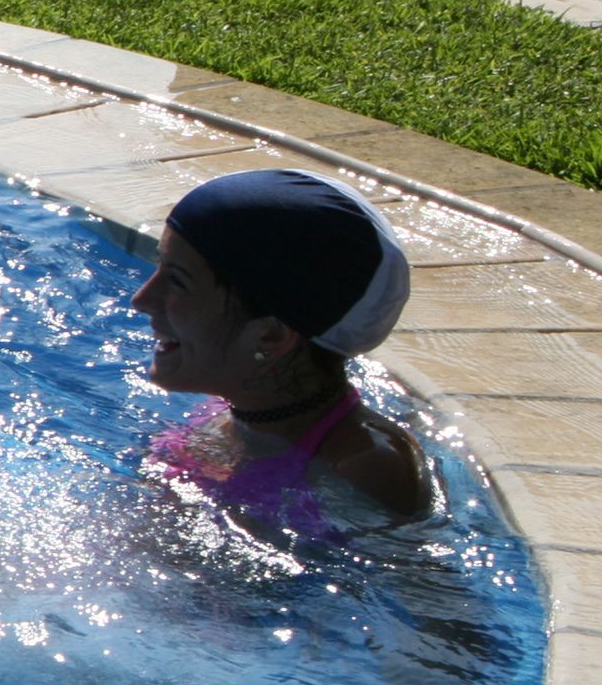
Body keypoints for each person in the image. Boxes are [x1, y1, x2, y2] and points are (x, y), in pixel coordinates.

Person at [135, 168, 429, 531]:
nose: (142, 299)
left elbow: (420, 585)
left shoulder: (364, 464)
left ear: (270, 337)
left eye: (177, 281)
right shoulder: (230, 414)